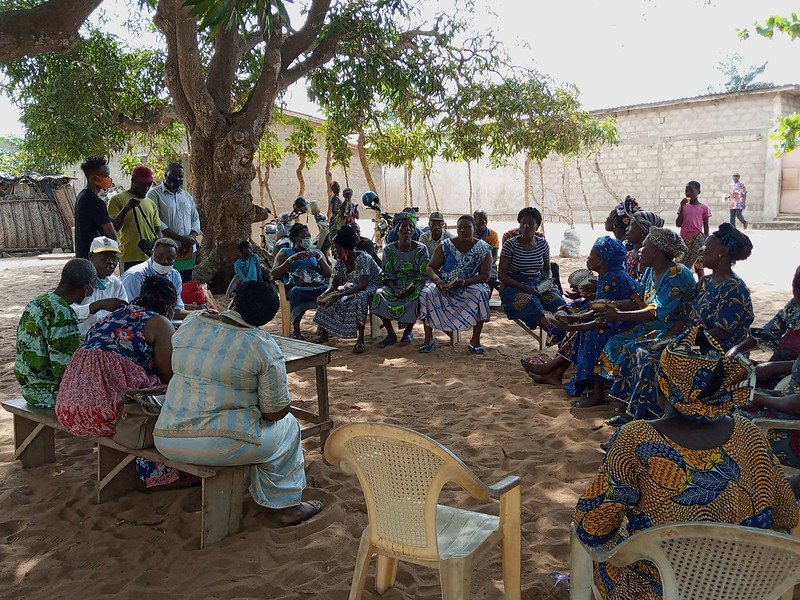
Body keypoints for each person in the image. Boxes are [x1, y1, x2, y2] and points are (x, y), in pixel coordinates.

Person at [574, 327, 797, 600]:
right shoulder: (749, 433)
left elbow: (592, 530)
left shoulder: (637, 439)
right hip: (743, 586)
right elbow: (785, 516)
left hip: (663, 589)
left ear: (663, 386)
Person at [154, 281, 323, 525]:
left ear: (232, 299)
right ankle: (286, 506)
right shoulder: (262, 346)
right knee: (288, 427)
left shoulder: (193, 323)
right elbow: (275, 413)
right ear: (266, 319)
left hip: (167, 437)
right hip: (219, 446)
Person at [617, 224, 755, 422]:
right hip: (694, 344)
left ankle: (657, 419)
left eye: (706, 247)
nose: (700, 250)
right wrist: (668, 338)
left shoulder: (734, 287)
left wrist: (681, 344)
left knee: (655, 360)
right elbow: (687, 318)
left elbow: (722, 332)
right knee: (641, 349)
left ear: (722, 252)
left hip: (717, 352)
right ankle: (637, 413)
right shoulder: (705, 282)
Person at [56, 276, 183, 489]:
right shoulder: (160, 323)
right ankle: (155, 476)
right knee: (170, 397)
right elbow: (169, 376)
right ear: (169, 310)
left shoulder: (114, 316)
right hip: (108, 415)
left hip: (68, 408)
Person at [588, 228, 696, 408]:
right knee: (614, 342)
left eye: (644, 246)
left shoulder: (677, 274)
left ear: (656, 252)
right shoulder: (650, 271)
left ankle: (631, 403)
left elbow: (655, 310)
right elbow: (637, 301)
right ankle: (611, 396)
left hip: (673, 330)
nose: (639, 250)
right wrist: (610, 304)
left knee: (631, 348)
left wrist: (617, 315)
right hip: (651, 326)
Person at [524, 237, 639, 395]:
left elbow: (601, 319)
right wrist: (572, 320)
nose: (588, 257)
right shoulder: (609, 276)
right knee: (579, 326)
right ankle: (556, 373)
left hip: (624, 324)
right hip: (616, 319)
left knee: (590, 334)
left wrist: (572, 325)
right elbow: (599, 310)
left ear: (600, 260)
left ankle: (591, 389)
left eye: (591, 254)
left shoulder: (611, 279)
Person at [15, 258, 97, 408]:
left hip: (29, 388)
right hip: (49, 394)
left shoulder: (38, 302)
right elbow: (66, 371)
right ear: (87, 289)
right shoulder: (62, 313)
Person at [418, 215, 492, 354]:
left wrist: (463, 282)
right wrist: (438, 281)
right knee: (427, 293)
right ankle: (429, 339)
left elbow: (485, 276)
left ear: (474, 229)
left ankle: (475, 341)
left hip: (469, 283)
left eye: (467, 227)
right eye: (460, 228)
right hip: (445, 283)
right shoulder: (446, 245)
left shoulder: (482, 248)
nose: (463, 230)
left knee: (480, 293)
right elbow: (431, 268)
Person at [727, 265, 800, 387]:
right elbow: (768, 333)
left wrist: (776, 368)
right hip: (775, 368)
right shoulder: (794, 305)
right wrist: (736, 350)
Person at [314, 225, 382, 353]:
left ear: (345, 248)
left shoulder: (362, 258)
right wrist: (326, 294)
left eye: (337, 248)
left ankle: (360, 340)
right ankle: (324, 334)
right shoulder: (341, 261)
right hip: (356, 285)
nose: (335, 251)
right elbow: (334, 285)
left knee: (359, 298)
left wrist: (339, 295)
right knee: (328, 299)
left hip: (373, 284)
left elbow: (363, 285)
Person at [498, 207, 565, 331]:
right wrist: (526, 288)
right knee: (532, 305)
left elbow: (546, 269)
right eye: (523, 223)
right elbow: (501, 275)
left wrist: (548, 282)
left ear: (537, 226)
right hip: (514, 286)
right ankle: (554, 333)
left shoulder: (542, 244)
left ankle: (563, 336)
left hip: (538, 283)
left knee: (558, 303)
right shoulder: (510, 245)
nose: (526, 226)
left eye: (530, 223)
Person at [372, 212, 429, 347]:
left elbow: (422, 275)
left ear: (413, 231)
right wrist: (395, 290)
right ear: (397, 229)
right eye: (404, 226)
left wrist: (409, 288)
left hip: (414, 285)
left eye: (410, 227)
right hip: (395, 284)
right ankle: (391, 334)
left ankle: (408, 331)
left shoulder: (421, 249)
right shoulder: (389, 250)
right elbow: (387, 274)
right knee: (379, 295)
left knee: (416, 297)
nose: (407, 229)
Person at [271, 224, 332, 339]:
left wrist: (318, 257)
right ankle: (296, 327)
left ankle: (324, 328)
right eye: (304, 236)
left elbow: (329, 273)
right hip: (296, 287)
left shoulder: (316, 252)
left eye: (308, 236)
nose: (307, 239)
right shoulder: (285, 252)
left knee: (327, 290)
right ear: (295, 238)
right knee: (296, 291)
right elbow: (274, 274)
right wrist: (292, 259)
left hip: (315, 285)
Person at [147, 163, 201, 282]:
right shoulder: (154, 194)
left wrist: (190, 238)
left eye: (180, 177)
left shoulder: (187, 196)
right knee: (166, 283)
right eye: (174, 176)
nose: (177, 179)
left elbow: (195, 219)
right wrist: (181, 239)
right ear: (166, 175)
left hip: (187, 250)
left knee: (185, 283)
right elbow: (156, 221)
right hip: (166, 251)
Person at [71, 237, 129, 337]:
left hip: (106, 339)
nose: (110, 261)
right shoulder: (78, 280)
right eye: (104, 256)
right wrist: (98, 305)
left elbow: (124, 312)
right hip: (80, 339)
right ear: (91, 256)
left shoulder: (115, 283)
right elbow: (69, 314)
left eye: (114, 257)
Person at [121, 237, 189, 319]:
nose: (165, 261)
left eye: (170, 259)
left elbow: (176, 310)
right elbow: (129, 311)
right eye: (160, 256)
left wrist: (199, 314)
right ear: (152, 253)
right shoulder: (134, 275)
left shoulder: (175, 275)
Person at [108, 165, 159, 271]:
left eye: (149, 184)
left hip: (150, 256)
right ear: (133, 180)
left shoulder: (151, 203)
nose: (146, 188)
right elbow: (113, 228)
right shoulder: (117, 200)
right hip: (128, 258)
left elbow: (157, 229)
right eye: (142, 184)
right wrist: (126, 209)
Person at [74, 157, 117, 259]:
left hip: (84, 254)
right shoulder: (95, 201)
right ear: (95, 178)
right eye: (106, 175)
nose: (109, 178)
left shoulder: (82, 196)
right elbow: (112, 235)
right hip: (96, 257)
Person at [676, 180, 711, 279]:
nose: (688, 193)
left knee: (698, 265)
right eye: (686, 191)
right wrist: (682, 207)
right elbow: (678, 224)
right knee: (680, 264)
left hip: (697, 239)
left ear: (698, 192)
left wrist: (706, 241)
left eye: (691, 191)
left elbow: (706, 226)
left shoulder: (704, 208)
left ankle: (701, 286)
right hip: (683, 239)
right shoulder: (683, 207)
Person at [473, 210, 500, 289]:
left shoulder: (493, 234)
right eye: (480, 219)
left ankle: (486, 298)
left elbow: (494, 255)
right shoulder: (471, 234)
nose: (484, 222)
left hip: (489, 264)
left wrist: (487, 265)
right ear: (474, 220)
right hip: (472, 263)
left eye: (485, 219)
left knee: (491, 278)